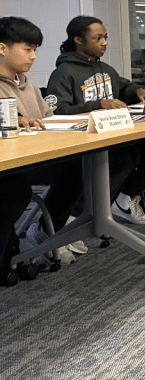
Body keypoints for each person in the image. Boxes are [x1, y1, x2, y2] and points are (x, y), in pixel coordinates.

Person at [46, 15, 145, 225]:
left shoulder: (105, 69)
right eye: (97, 38)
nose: (104, 42)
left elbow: (123, 87)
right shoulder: (64, 72)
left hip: (110, 135)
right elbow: (58, 111)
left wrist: (137, 90)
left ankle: (124, 200)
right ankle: (75, 215)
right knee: (125, 157)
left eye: (105, 37)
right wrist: (98, 104)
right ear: (78, 40)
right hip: (81, 143)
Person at [0, 16, 87, 263]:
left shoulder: (28, 86)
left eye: (34, 50)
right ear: (2, 48)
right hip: (11, 164)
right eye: (27, 49)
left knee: (86, 165)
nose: (33, 56)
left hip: (36, 157)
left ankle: (53, 229)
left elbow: (48, 120)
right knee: (15, 191)